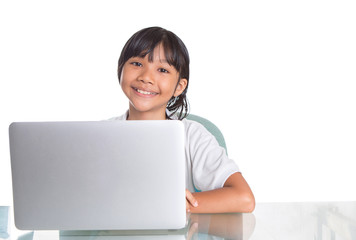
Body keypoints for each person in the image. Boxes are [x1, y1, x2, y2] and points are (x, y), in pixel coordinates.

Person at [111, 26, 255, 213]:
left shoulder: (192, 136)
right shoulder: (99, 136)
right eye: (137, 64)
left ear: (179, 86)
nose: (146, 77)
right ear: (120, 69)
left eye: (162, 69)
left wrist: (177, 204)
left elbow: (243, 198)